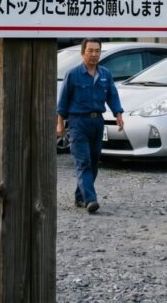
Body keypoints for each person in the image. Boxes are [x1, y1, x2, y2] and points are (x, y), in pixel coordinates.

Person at [56, 38, 124, 214]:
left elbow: (112, 96)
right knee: (83, 162)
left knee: (93, 163)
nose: (94, 55)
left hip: (97, 122)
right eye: (90, 51)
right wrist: (60, 123)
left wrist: (118, 114)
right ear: (82, 53)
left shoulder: (105, 75)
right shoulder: (73, 74)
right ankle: (91, 200)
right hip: (78, 122)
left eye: (97, 51)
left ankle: (80, 196)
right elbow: (63, 101)